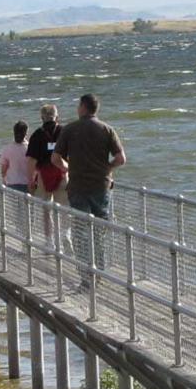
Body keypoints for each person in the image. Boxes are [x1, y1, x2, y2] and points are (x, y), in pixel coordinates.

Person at [52, 93, 126, 286]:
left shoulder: (70, 129)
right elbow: (121, 159)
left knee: (80, 231)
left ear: (83, 107)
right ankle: (99, 272)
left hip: (78, 187)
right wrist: (107, 168)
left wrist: (68, 167)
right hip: (101, 186)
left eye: (78, 105)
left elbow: (55, 158)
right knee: (98, 232)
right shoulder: (107, 129)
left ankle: (86, 276)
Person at [26, 104, 68, 246]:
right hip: (62, 174)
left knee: (46, 210)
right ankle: (63, 236)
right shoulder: (64, 131)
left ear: (41, 117)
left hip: (43, 175)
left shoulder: (37, 135)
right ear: (57, 116)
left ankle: (49, 241)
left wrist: (31, 180)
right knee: (63, 208)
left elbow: (31, 160)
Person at [0, 121, 31, 193]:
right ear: (26, 133)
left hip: (11, 183)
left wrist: (4, 179)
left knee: (13, 204)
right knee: (26, 203)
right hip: (26, 184)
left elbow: (3, 169)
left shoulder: (7, 148)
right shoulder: (30, 148)